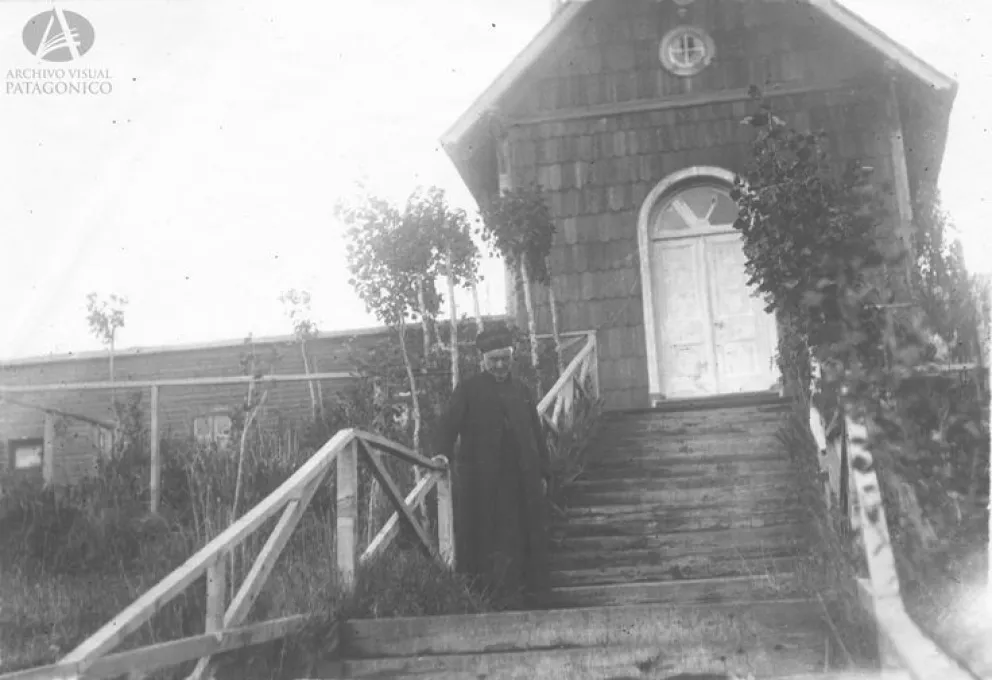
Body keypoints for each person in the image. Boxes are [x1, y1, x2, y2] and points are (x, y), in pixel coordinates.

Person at [435, 323, 552, 608]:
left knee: (522, 537)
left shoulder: (521, 390)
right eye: (493, 360)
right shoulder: (468, 390)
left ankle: (527, 596)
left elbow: (536, 434)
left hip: (521, 481)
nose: (499, 365)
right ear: (483, 361)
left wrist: (545, 473)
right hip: (483, 482)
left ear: (512, 358)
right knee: (486, 538)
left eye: (504, 359)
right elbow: (447, 427)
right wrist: (440, 454)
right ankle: (486, 597)